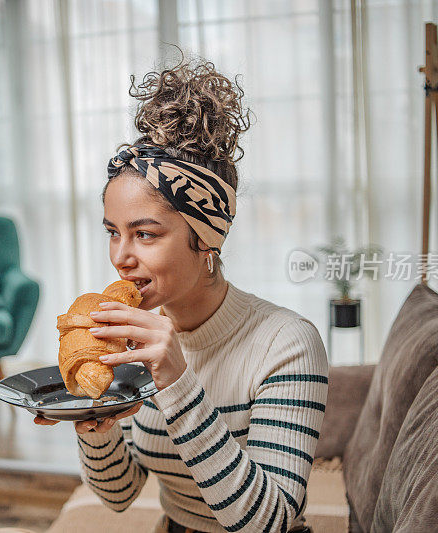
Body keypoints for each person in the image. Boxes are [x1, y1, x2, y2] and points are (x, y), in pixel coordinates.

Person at [34, 56, 328, 533]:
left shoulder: (287, 343)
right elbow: (119, 493)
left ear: (206, 240)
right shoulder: (135, 338)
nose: (121, 258)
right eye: (114, 232)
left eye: (145, 234)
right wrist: (96, 424)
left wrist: (176, 379)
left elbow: (269, 521)